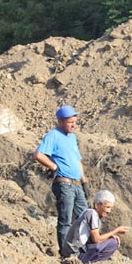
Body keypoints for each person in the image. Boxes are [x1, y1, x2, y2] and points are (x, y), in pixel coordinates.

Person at [34, 105, 90, 256]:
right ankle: (66, 254)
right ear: (60, 121)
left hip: (76, 184)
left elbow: (78, 160)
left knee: (85, 217)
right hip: (64, 183)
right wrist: (53, 166)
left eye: (75, 121)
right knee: (65, 219)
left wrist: (84, 182)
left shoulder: (72, 137)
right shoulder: (53, 135)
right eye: (70, 122)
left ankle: (83, 251)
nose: (74, 125)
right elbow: (39, 155)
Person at [60, 190, 129, 264]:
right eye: (107, 207)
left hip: (73, 252)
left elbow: (91, 239)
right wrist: (116, 230)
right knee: (113, 243)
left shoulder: (88, 213)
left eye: (110, 208)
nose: (109, 211)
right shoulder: (91, 214)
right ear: (97, 205)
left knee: (109, 240)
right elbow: (96, 240)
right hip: (75, 254)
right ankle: (92, 262)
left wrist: (109, 236)